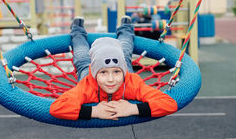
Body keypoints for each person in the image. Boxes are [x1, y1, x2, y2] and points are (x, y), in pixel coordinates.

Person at [50, 16, 178, 121]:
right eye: (103, 72)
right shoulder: (86, 86)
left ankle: (126, 27)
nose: (110, 79)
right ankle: (77, 30)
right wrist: (93, 111)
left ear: (122, 72)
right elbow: (56, 108)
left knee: (125, 52)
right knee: (82, 58)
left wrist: (133, 109)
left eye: (116, 71)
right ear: (95, 73)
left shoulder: (132, 83)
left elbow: (169, 103)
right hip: (89, 76)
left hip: (125, 75)